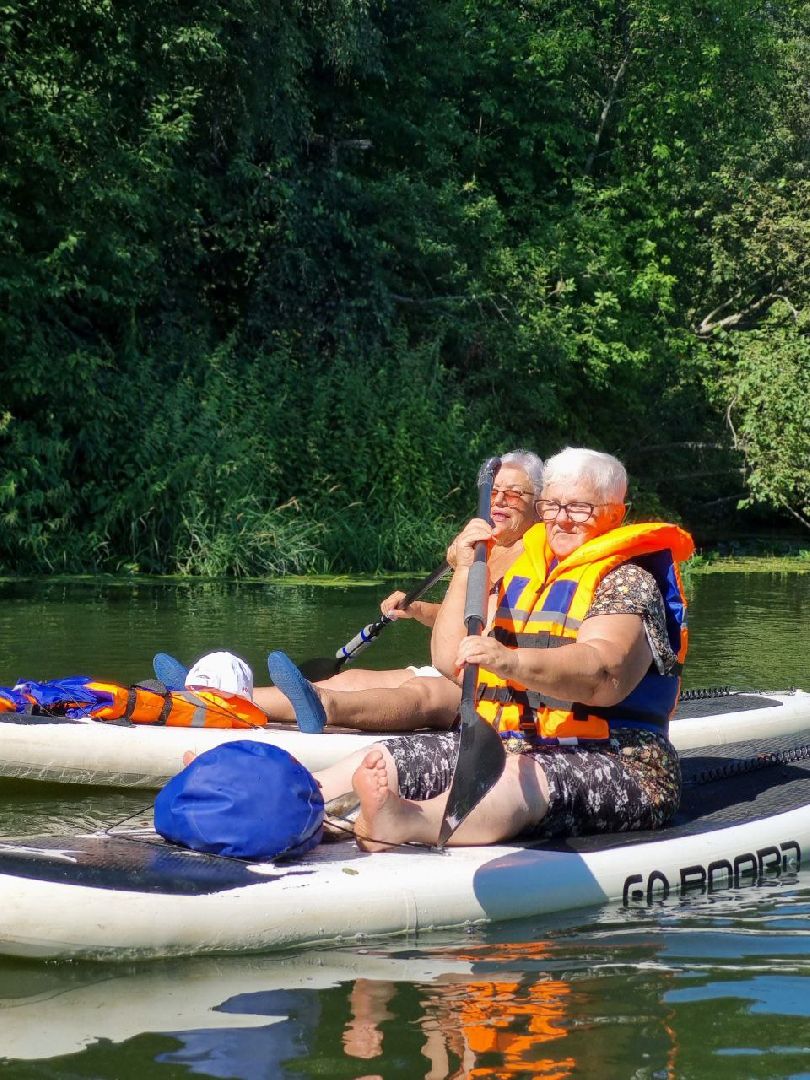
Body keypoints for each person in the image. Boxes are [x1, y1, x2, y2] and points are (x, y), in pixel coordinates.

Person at [316, 446, 694, 849]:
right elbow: (448, 660)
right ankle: (298, 802)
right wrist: (464, 569)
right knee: (384, 757)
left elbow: (603, 673)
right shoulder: (522, 570)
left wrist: (510, 660)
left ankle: (407, 821)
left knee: (516, 775)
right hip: (508, 742)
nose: (561, 519)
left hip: (618, 759)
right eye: (552, 505)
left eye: (580, 508)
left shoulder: (629, 580)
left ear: (615, 514)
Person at [259, 448, 545, 732]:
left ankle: (324, 705)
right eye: (493, 492)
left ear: (539, 504)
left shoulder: (539, 552)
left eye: (514, 494)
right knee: (353, 679)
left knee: (422, 692)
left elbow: (496, 625)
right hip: (454, 665)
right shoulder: (485, 545)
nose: (498, 501)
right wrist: (419, 610)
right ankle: (231, 701)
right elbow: (468, 618)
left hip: (495, 678)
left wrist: (462, 567)